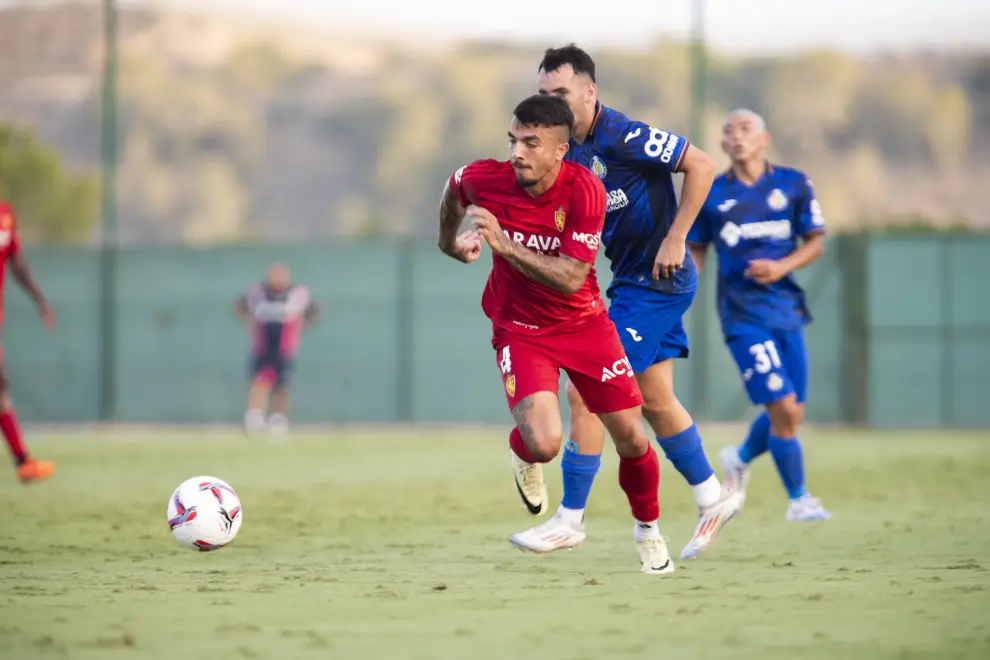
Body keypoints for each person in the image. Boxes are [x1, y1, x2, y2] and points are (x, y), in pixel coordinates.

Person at [510, 44, 740, 561]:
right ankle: (712, 497)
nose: (552, 104)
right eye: (544, 95)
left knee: (587, 393)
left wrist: (678, 235)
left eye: (562, 94)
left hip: (659, 279)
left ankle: (569, 520)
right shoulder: (566, 150)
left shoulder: (624, 135)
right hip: (629, 285)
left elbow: (701, 164)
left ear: (590, 92)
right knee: (656, 400)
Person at [439, 94, 673, 574]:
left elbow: (570, 276)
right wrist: (450, 244)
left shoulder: (585, 190)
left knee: (631, 436)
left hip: (585, 325)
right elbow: (454, 188)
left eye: (531, 143)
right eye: (513, 140)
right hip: (520, 328)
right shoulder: (487, 177)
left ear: (560, 150)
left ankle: (648, 531)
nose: (517, 153)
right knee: (544, 442)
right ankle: (522, 451)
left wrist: (503, 245)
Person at [687, 108, 831, 522]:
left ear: (764, 138)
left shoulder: (793, 184)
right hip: (741, 315)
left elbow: (816, 241)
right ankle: (799, 499)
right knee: (784, 408)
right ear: (723, 144)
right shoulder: (712, 194)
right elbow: (696, 249)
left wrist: (781, 267)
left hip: (787, 310)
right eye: (728, 131)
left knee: (791, 412)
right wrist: (682, 292)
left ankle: (740, 457)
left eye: (745, 129)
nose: (736, 137)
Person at [0, 199, 56, 482]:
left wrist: (39, 299)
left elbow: (17, 264)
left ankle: (23, 461)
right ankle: (22, 459)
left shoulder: (5, 214)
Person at [236, 263, 320, 436]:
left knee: (283, 385)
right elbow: (241, 307)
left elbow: (314, 312)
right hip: (262, 348)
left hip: (284, 350)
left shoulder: (297, 294)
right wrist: (249, 324)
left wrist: (300, 329)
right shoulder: (257, 293)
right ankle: (255, 418)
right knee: (260, 381)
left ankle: (279, 419)